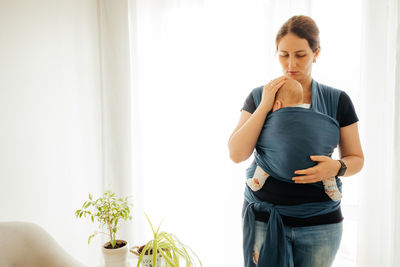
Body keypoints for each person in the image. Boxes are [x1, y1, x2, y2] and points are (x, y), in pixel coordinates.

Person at [227, 15, 364, 267]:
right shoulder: (259, 97)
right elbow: (237, 153)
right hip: (264, 219)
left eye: (300, 55)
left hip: (320, 223)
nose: (291, 64)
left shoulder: (338, 100)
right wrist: (266, 104)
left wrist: (335, 168)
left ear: (316, 52)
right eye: (283, 54)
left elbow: (356, 158)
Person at [246, 78, 342, 202]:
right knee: (325, 164)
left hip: (275, 164)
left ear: (277, 104)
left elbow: (262, 138)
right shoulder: (310, 113)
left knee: (263, 162)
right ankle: (331, 188)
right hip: (312, 162)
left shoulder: (270, 118)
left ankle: (256, 182)